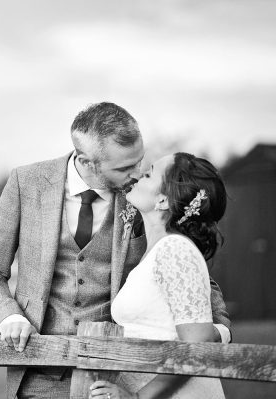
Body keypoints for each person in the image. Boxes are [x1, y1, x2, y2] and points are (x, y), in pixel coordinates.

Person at [0, 102, 230, 399]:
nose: (136, 173)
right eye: (123, 168)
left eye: (139, 162)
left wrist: (216, 331)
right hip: (40, 371)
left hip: (111, 376)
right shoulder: (26, 183)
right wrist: (9, 317)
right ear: (87, 161)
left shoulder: (142, 197)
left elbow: (189, 272)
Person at [89, 152, 227, 398]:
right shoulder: (155, 252)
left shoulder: (176, 249)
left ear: (163, 200)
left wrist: (137, 397)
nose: (139, 175)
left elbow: (197, 344)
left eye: (150, 173)